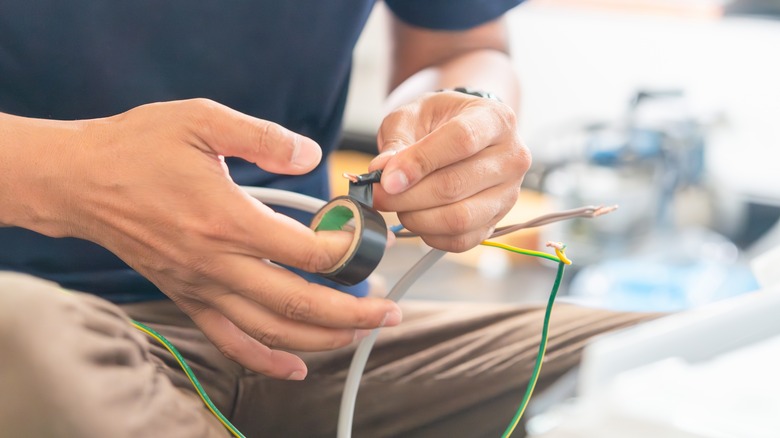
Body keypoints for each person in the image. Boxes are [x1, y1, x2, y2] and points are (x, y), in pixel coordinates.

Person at [0, 1, 656, 436]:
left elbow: (461, 48)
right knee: (20, 333)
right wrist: (76, 175)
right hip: (64, 335)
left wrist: (468, 117)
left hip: (330, 341)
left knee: (723, 361)